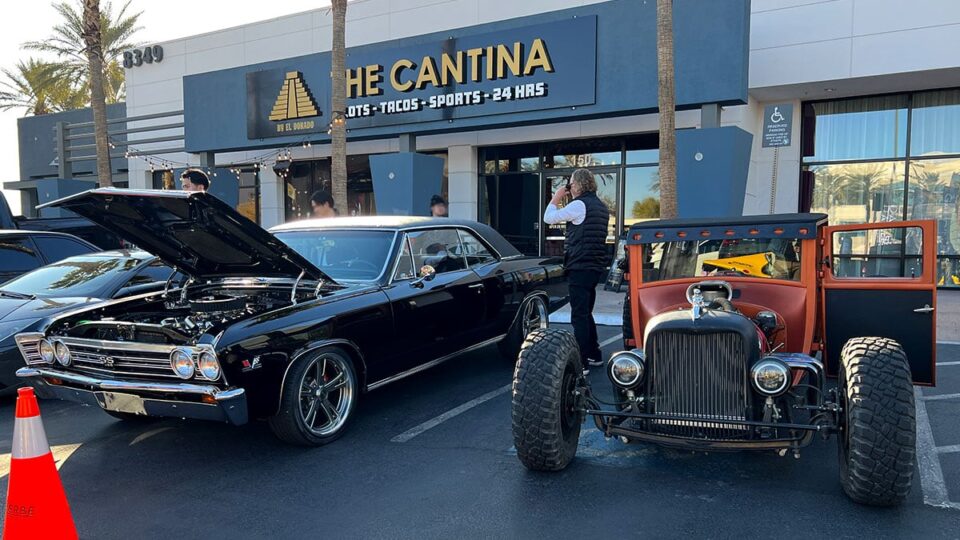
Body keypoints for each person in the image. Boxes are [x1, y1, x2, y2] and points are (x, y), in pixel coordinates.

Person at [543, 168, 610, 368]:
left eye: (571, 184)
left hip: (580, 265)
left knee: (579, 315)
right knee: (586, 312)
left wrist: (556, 197)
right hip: (595, 266)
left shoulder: (579, 204)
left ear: (578, 184)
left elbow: (549, 218)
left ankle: (582, 362)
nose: (569, 187)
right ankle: (594, 354)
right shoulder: (601, 206)